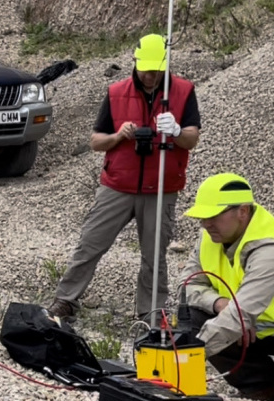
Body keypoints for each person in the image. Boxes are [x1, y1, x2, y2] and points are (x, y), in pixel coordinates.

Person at [48, 34, 202, 321]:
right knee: (90, 244)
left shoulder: (182, 92)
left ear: (165, 65)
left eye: (156, 70)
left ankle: (151, 314)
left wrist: (178, 131)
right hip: (117, 186)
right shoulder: (116, 92)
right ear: (135, 61)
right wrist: (119, 136)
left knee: (154, 257)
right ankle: (65, 301)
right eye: (145, 69)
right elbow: (96, 142)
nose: (150, 76)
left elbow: (192, 139)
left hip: (160, 189)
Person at [180, 174, 274, 401]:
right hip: (256, 325)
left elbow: (241, 314)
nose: (205, 223)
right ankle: (271, 394)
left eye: (212, 216)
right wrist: (220, 304)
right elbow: (188, 285)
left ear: (242, 211)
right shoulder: (210, 237)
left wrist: (183, 358)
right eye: (201, 216)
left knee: (223, 328)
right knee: (194, 318)